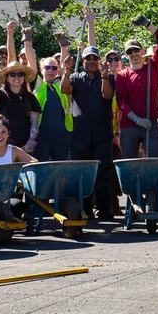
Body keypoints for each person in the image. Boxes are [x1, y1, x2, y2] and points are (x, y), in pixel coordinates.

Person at [61, 45, 116, 220]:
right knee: (82, 174)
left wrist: (105, 76)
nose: (91, 61)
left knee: (103, 173)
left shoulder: (108, 77)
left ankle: (104, 210)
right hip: (80, 135)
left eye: (94, 58)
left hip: (102, 134)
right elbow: (64, 90)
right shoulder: (76, 78)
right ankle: (85, 209)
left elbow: (107, 96)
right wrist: (66, 71)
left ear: (99, 61)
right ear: (83, 61)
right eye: (88, 59)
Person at [114, 15, 158, 159]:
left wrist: (148, 25)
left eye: (136, 50)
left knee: (156, 161)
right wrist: (137, 119)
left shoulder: (153, 67)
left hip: (151, 123)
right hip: (129, 125)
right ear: (126, 55)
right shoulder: (122, 75)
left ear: (142, 51)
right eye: (129, 52)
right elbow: (121, 100)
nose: (133, 54)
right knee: (129, 163)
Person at [0, 59, 41, 153]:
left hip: (25, 146)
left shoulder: (31, 97)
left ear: (24, 78)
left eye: (20, 74)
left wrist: (31, 141)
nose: (17, 77)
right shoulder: (1, 95)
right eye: (12, 74)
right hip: (4, 145)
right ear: (7, 78)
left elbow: (34, 122)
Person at [34, 56, 73, 161]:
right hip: (42, 136)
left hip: (61, 136)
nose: (51, 70)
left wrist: (64, 46)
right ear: (41, 69)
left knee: (60, 169)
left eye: (54, 68)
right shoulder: (37, 84)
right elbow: (31, 60)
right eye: (47, 67)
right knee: (42, 168)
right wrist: (28, 41)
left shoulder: (59, 87)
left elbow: (65, 63)